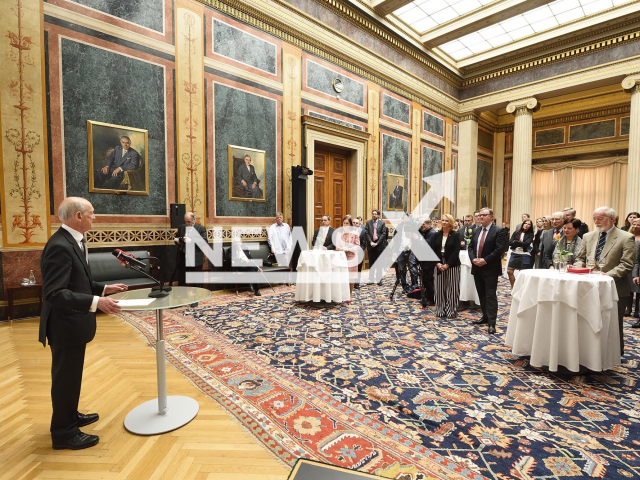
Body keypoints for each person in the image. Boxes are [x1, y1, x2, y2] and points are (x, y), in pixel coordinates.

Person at [39, 197, 127, 450]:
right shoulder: (60, 246)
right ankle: (64, 433)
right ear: (78, 216)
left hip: (73, 323)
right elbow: (54, 293)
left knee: (71, 376)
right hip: (64, 324)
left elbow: (76, 280)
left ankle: (69, 416)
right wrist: (95, 302)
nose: (94, 217)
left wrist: (102, 288)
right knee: (65, 378)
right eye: (91, 213)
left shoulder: (73, 241)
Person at [574, 206, 635, 352]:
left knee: (612, 322)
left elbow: (627, 264)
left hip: (614, 287)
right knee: (588, 320)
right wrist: (578, 268)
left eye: (600, 218)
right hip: (587, 286)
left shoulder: (625, 237)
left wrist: (607, 275)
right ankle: (590, 352)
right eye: (594, 218)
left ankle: (614, 354)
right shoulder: (589, 236)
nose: (596, 222)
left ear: (612, 219)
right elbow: (580, 258)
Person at [469, 208, 508, 334]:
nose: (481, 217)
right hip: (477, 267)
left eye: (484, 215)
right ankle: (485, 316)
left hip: (490, 268)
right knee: (481, 294)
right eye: (480, 215)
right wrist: (473, 259)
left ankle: (492, 323)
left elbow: (499, 250)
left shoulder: (499, 231)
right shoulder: (475, 230)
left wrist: (485, 260)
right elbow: (470, 247)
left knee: (490, 295)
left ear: (491, 217)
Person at [430, 214, 461, 318]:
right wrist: (438, 263)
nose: (444, 222)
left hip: (452, 264)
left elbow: (456, 251)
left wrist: (447, 264)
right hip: (438, 262)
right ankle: (440, 309)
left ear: (450, 223)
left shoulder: (456, 235)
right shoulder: (436, 234)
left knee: (452, 288)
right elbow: (433, 250)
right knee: (439, 288)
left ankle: (451, 311)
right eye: (442, 220)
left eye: (446, 221)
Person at [173, 212, 208, 286]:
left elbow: (204, 241)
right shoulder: (181, 227)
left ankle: (196, 297)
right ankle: (183, 297)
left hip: (196, 258)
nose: (187, 223)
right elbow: (177, 237)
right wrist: (177, 241)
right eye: (186, 221)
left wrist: (192, 241)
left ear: (194, 219)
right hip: (183, 257)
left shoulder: (201, 228)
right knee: (182, 280)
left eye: (189, 221)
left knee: (195, 282)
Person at [335, 216, 361, 299]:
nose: (345, 225)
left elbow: (357, 246)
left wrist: (349, 249)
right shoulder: (339, 234)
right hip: (342, 257)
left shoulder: (355, 233)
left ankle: (350, 294)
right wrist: (341, 249)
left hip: (352, 257)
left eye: (347, 223)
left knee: (351, 277)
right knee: (342, 276)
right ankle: (342, 294)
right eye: (344, 223)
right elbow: (337, 246)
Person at [506, 219, 534, 288]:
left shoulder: (530, 234)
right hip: (514, 254)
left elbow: (526, 244)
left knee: (523, 273)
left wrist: (516, 242)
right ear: (522, 224)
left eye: (528, 224)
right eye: (525, 223)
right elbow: (510, 243)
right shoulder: (516, 232)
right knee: (509, 271)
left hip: (525, 255)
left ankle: (522, 288)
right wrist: (519, 243)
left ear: (530, 226)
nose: (526, 225)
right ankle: (514, 287)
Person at [394, 216, 419, 294]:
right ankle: (405, 287)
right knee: (401, 270)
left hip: (411, 251)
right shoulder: (399, 227)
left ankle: (415, 286)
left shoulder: (413, 227)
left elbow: (416, 239)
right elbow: (395, 240)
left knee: (413, 269)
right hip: (400, 251)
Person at [365, 210, 388, 285]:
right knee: (371, 263)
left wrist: (377, 243)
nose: (374, 215)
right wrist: (371, 242)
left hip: (379, 246)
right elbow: (366, 233)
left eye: (375, 214)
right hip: (371, 246)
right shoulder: (368, 223)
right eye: (373, 214)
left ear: (378, 215)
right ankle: (371, 279)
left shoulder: (382, 223)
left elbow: (383, 234)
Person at [419, 218, 436, 305]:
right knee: (425, 278)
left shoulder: (432, 233)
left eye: (424, 224)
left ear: (429, 224)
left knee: (428, 279)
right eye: (422, 224)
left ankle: (432, 299)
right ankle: (428, 296)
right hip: (425, 259)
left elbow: (427, 245)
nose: (422, 226)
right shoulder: (426, 232)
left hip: (429, 260)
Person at [628, 218, 640, 324]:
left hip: (637, 266)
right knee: (629, 289)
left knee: (637, 290)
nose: (635, 226)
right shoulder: (628, 236)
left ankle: (637, 311)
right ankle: (628, 309)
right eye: (633, 224)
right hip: (628, 265)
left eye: (638, 225)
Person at [352, 217, 367, 289]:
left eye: (356, 223)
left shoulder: (363, 232)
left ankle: (356, 283)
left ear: (359, 224)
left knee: (358, 268)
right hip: (350, 253)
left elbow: (364, 243)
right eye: (353, 223)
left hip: (359, 253)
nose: (355, 224)